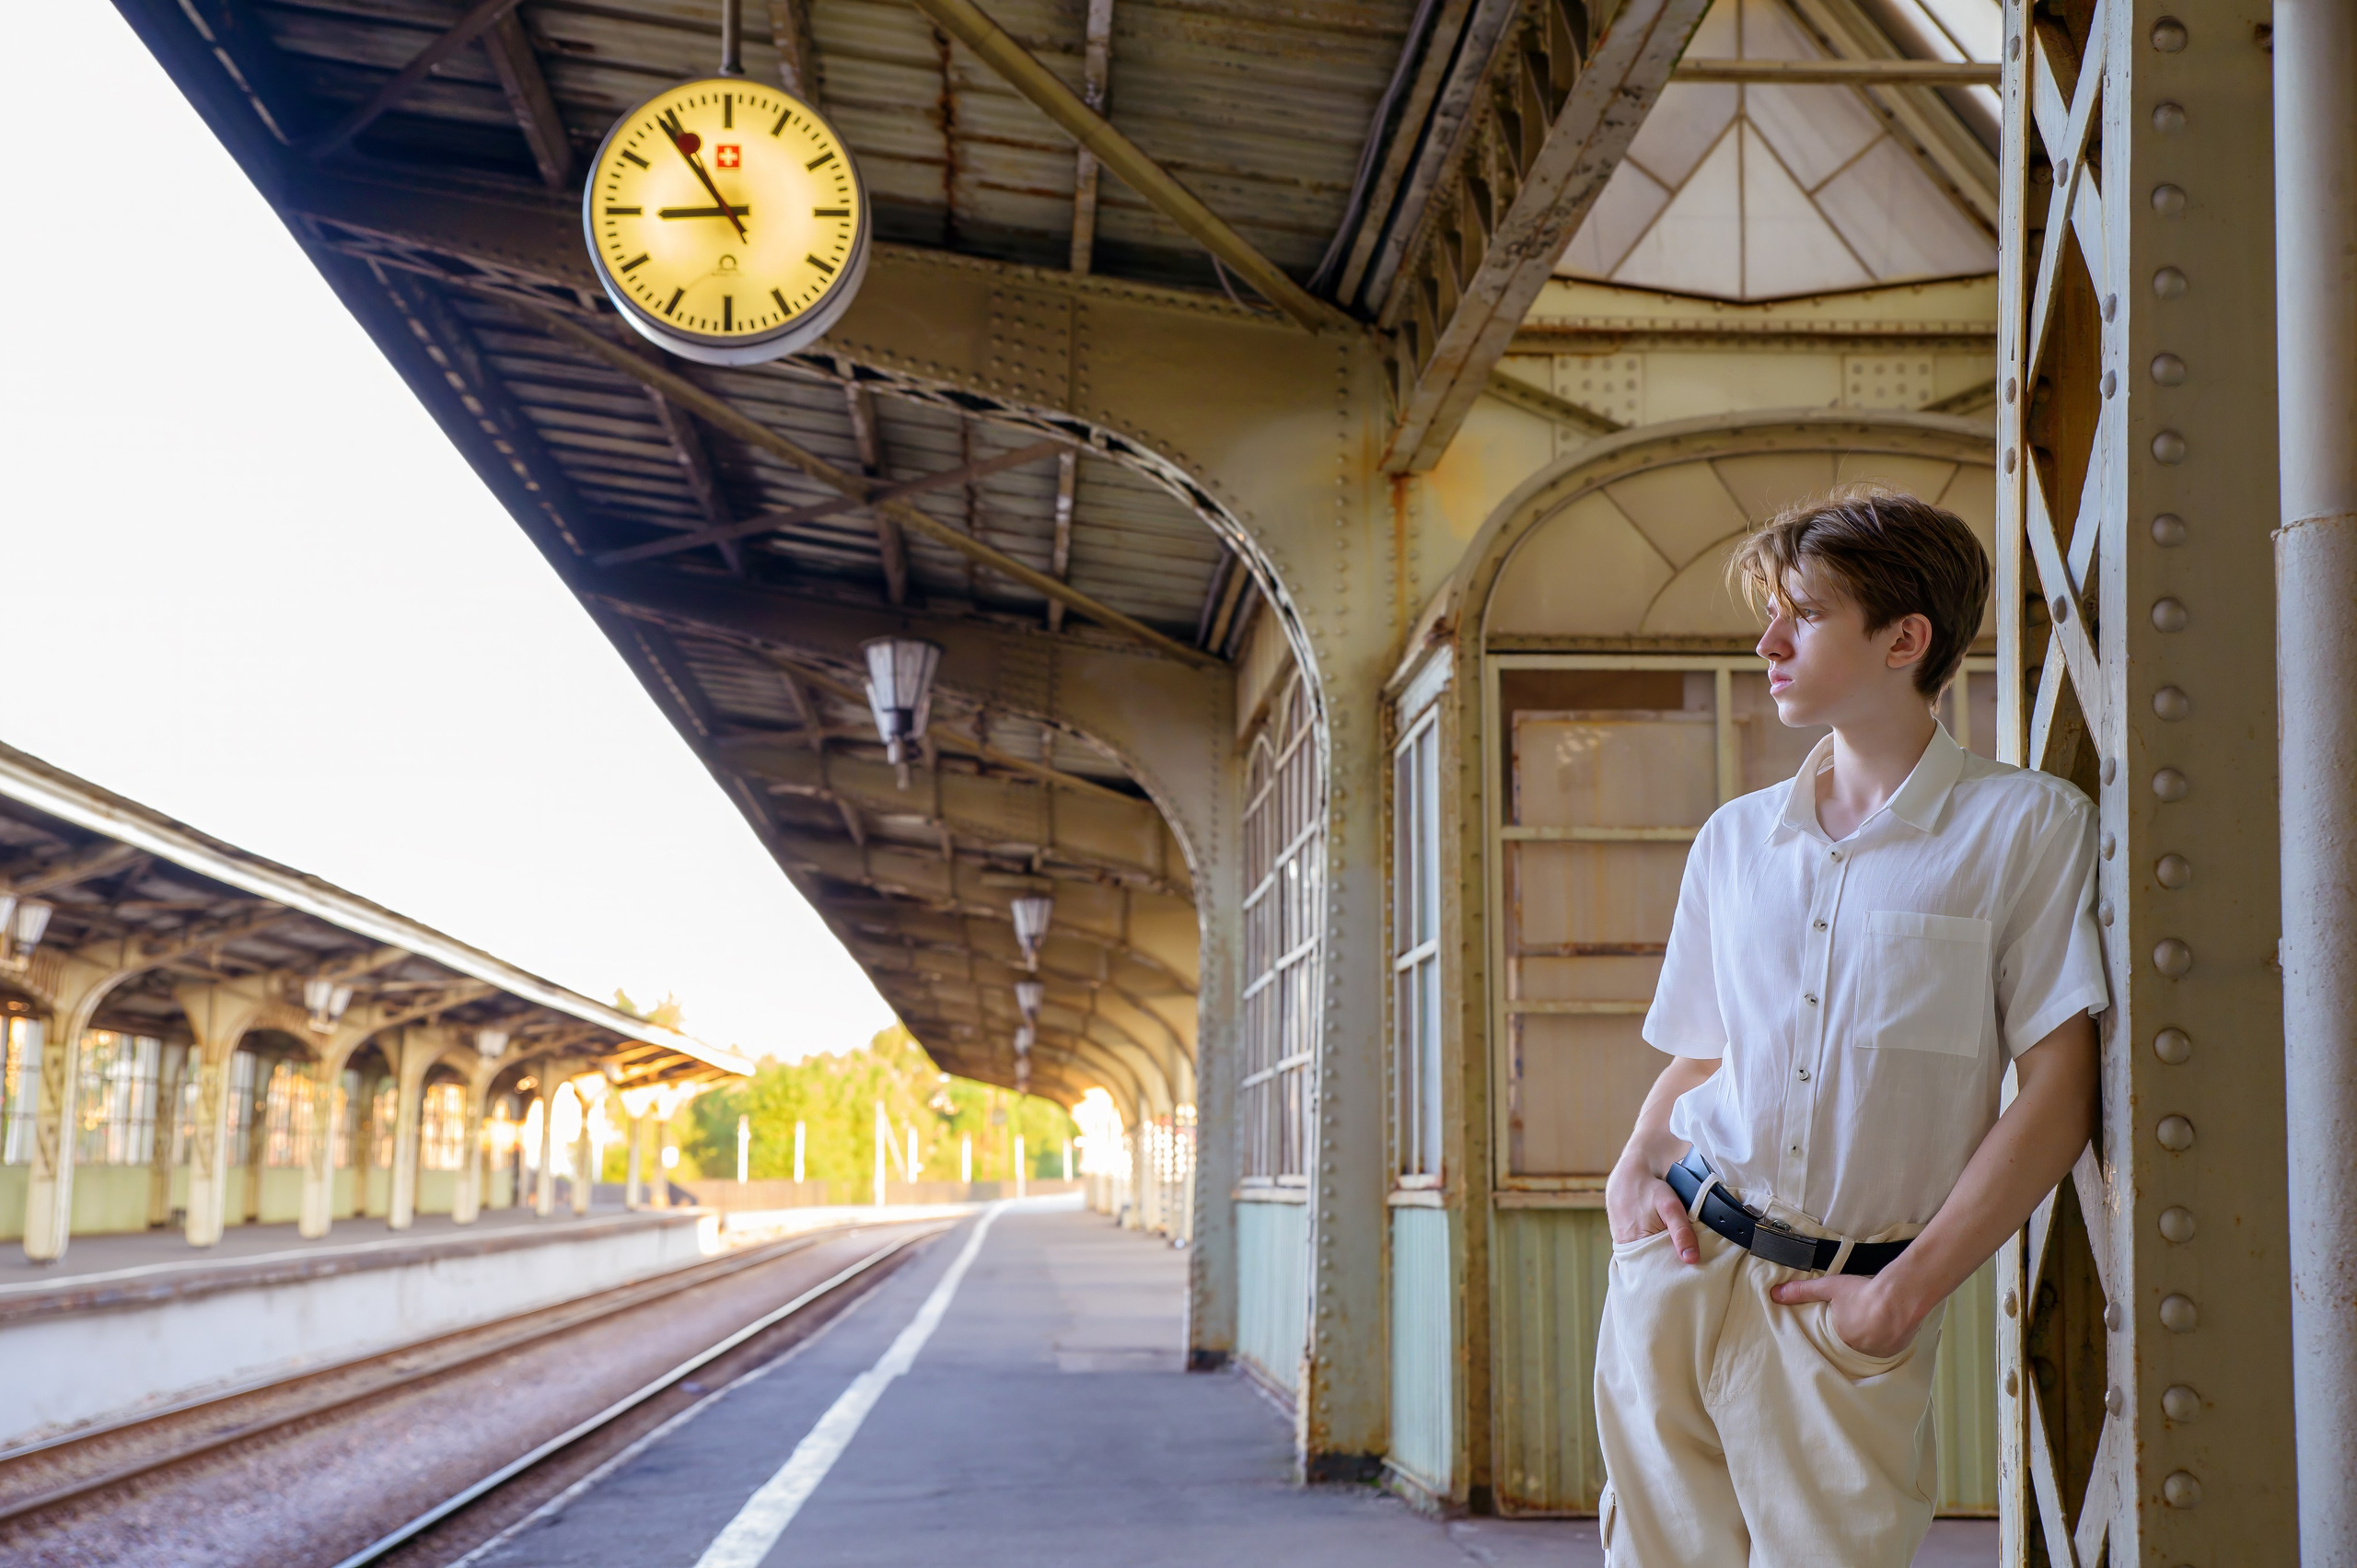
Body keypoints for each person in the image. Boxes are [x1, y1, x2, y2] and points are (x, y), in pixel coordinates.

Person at [1595, 485, 2108, 1567]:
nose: (1766, 641)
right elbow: (1703, 1046)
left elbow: (2059, 1096)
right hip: (1678, 1260)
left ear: (1903, 639)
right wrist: (1632, 1173)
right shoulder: (1735, 840)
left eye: (1805, 614)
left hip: (1839, 1306)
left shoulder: (2023, 828)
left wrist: (1902, 1292)